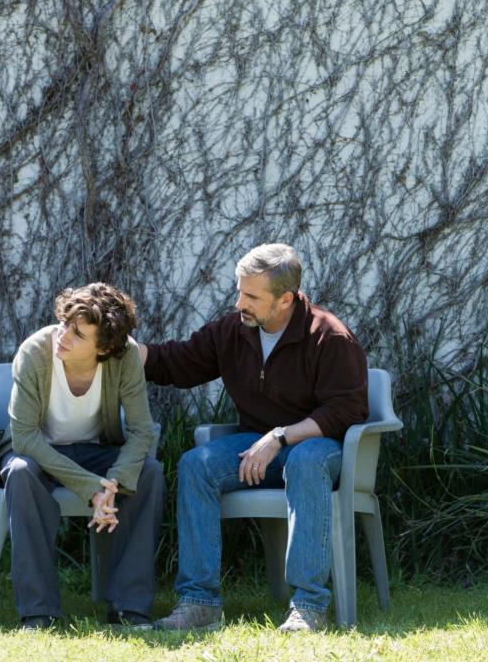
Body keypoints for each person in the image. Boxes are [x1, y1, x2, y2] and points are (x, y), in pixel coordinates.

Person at [143, 243, 368, 632]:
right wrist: (127, 351)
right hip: (257, 446)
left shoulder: (328, 337)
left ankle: (309, 607)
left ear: (285, 299)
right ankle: (200, 603)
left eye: (250, 296)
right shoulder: (234, 331)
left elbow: (346, 411)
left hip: (321, 448)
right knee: (196, 465)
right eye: (239, 290)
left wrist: (279, 437)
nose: (239, 303)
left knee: (306, 459)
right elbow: (178, 363)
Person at [0, 282, 163, 631]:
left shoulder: (126, 356)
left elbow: (142, 431)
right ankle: (38, 614)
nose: (63, 336)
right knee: (21, 473)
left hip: (96, 452)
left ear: (103, 348)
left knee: (148, 472)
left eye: (77, 334)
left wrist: (114, 481)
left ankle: (128, 609)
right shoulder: (34, 352)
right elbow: (24, 437)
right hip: (37, 452)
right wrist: (91, 487)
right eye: (64, 324)